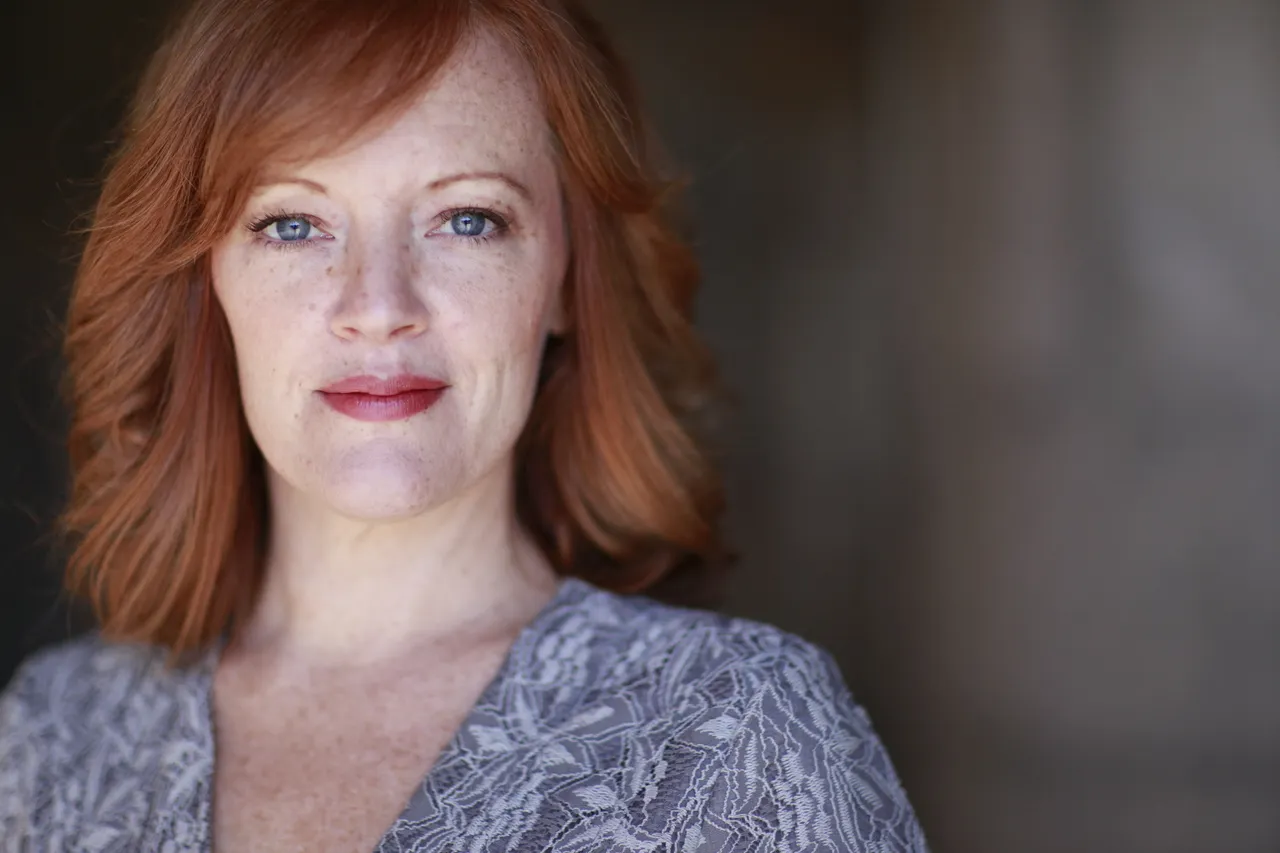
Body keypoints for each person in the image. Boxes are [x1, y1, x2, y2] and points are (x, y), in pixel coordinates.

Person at [0, 0, 929, 850]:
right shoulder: (53, 738)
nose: (377, 305)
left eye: (467, 219)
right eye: (292, 225)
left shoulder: (742, 743)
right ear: (208, 284)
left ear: (567, 277)